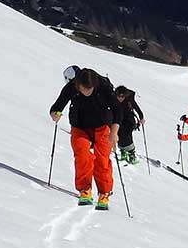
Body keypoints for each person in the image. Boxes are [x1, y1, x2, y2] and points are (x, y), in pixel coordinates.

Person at [50, 66, 119, 210]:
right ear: (78, 85)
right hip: (80, 126)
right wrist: (55, 113)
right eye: (84, 89)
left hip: (102, 125)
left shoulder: (103, 86)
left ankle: (104, 193)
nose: (87, 92)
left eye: (90, 89)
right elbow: (58, 104)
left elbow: (117, 110)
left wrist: (114, 132)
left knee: (102, 159)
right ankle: (85, 190)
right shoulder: (71, 86)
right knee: (82, 155)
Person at [114, 85, 144, 164]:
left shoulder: (129, 100)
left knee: (127, 136)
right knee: (119, 135)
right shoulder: (113, 100)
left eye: (122, 96)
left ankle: (131, 154)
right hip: (118, 120)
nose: (120, 98)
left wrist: (141, 117)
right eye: (119, 96)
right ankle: (123, 151)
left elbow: (137, 108)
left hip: (128, 121)